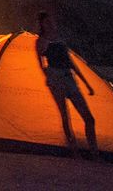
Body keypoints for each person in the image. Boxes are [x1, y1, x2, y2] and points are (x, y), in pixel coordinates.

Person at [36, 11, 99, 158]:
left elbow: (70, 62)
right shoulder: (42, 41)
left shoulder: (60, 39)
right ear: (42, 25)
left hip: (68, 78)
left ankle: (94, 152)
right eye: (47, 22)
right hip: (56, 78)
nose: (51, 24)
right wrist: (49, 77)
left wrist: (86, 83)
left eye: (51, 21)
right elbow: (40, 63)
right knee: (65, 115)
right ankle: (74, 151)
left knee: (89, 118)